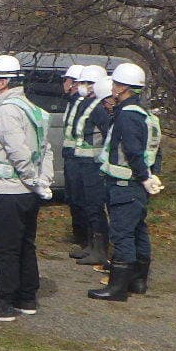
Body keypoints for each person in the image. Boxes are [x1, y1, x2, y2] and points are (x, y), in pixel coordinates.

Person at [0, 55, 53, 322]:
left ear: (2, 82)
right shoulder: (33, 109)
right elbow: (46, 149)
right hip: (27, 191)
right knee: (25, 244)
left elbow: (18, 152)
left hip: (7, 190)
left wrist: (32, 178)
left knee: (4, 249)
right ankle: (26, 297)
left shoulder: (6, 110)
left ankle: (3, 302)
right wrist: (42, 182)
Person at [89, 62, 163, 301]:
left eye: (115, 83)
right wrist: (151, 175)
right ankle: (138, 281)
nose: (112, 87)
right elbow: (155, 150)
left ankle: (117, 287)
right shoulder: (145, 114)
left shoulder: (127, 114)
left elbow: (132, 150)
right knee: (138, 230)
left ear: (123, 87)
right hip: (137, 184)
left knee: (122, 234)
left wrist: (143, 176)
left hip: (125, 183)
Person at [67, 66, 110, 267]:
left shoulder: (100, 108)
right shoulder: (86, 104)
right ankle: (91, 245)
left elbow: (108, 135)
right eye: (82, 82)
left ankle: (100, 250)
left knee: (95, 206)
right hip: (82, 162)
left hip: (94, 165)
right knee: (85, 204)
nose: (83, 86)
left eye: (88, 83)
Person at [59, 64, 88, 250]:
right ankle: (79, 236)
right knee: (72, 197)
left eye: (66, 80)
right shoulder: (72, 102)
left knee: (79, 198)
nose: (64, 83)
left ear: (74, 83)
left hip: (79, 158)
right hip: (70, 156)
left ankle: (85, 238)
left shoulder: (82, 103)